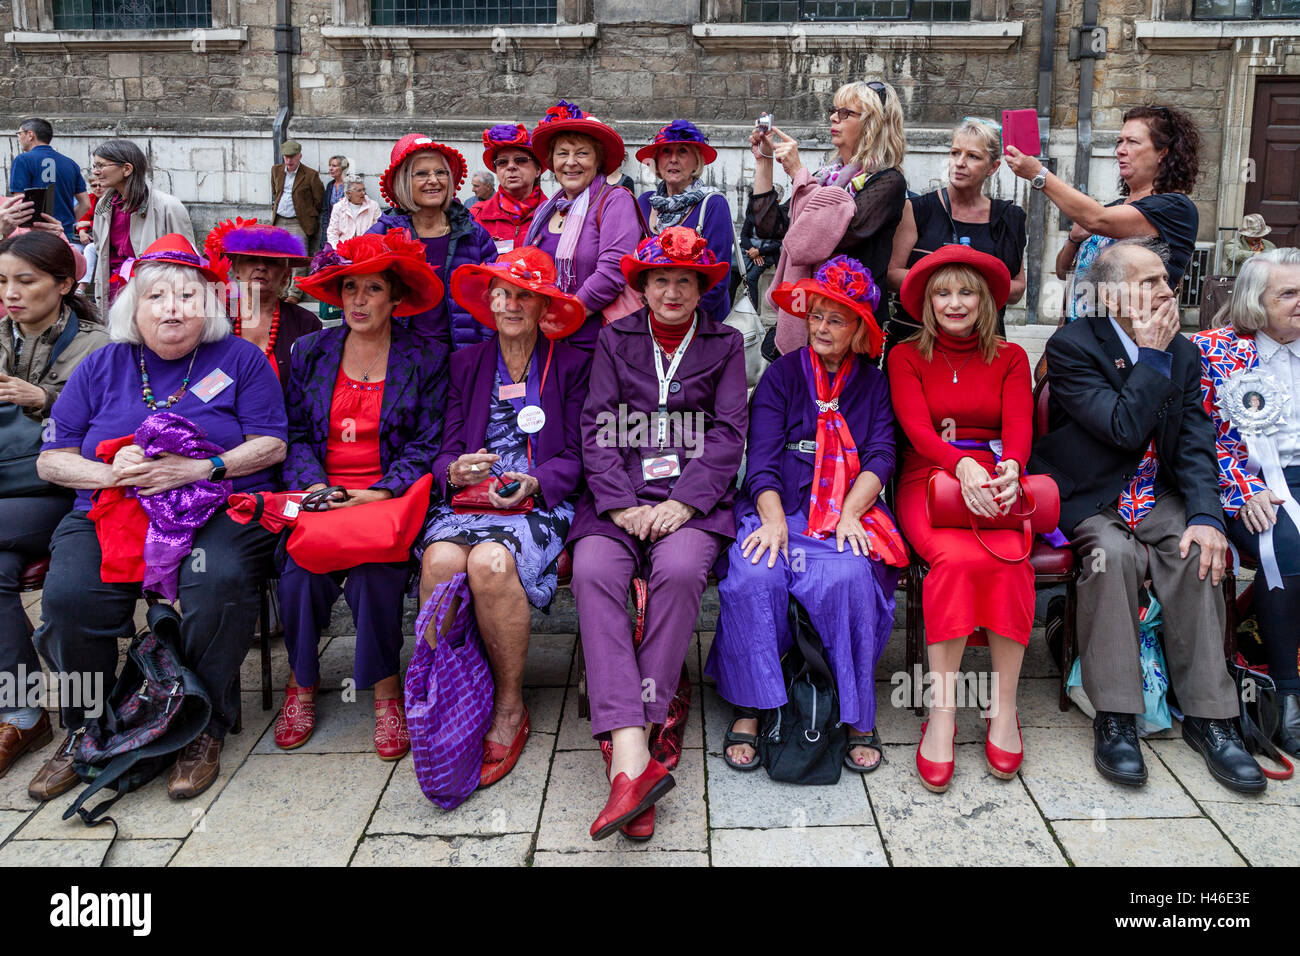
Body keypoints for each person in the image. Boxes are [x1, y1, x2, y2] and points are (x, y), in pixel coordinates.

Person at [29, 233, 288, 801]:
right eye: (157, 296)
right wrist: (113, 475)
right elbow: (52, 458)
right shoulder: (102, 364)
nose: (172, 308)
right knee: (71, 598)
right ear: (132, 308)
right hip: (110, 508)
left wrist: (202, 469)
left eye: (188, 296)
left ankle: (202, 725)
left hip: (216, 505)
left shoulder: (241, 360)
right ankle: (85, 725)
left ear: (209, 305)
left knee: (216, 582)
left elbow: (272, 443)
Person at [1030, 237, 1265, 794]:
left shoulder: (1183, 352)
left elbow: (1194, 443)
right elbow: (1120, 428)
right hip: (1093, 494)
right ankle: (1115, 717)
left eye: (1165, 278)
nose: (1166, 289)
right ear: (1110, 294)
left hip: (1156, 493)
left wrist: (1207, 515)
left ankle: (1212, 717)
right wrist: (1153, 357)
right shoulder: (1072, 346)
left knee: (1197, 551)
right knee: (1112, 557)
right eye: (1148, 282)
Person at [571, 226, 746, 842]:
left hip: (689, 502)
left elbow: (726, 434)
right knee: (592, 572)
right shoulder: (614, 338)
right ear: (642, 286)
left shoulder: (726, 344)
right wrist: (620, 505)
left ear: (702, 288)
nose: (672, 291)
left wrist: (682, 502)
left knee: (677, 572)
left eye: (685, 280)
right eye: (660, 279)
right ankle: (636, 754)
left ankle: (630, 754)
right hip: (616, 497)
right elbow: (595, 425)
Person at [707, 254, 900, 774]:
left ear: (860, 327)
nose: (821, 327)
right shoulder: (782, 376)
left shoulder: (873, 382)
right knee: (754, 573)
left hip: (844, 512)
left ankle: (857, 711)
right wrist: (771, 521)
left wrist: (853, 513)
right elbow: (762, 461)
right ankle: (752, 703)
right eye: (816, 315)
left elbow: (882, 453)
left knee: (852, 576)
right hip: (782, 508)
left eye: (836, 318)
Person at [273, 230, 449, 760]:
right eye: (350, 288)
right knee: (299, 570)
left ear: (396, 299)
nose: (359, 301)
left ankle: (386, 692)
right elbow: (296, 435)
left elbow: (427, 442)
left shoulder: (425, 356)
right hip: (320, 494)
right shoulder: (310, 351)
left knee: (378, 573)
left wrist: (379, 492)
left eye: (373, 289)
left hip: (387, 499)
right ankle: (301, 683)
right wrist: (317, 488)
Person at [419, 246, 589, 786]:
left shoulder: (572, 363)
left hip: (539, 500)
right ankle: (447, 692)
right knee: (442, 559)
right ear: (488, 302)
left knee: (491, 563)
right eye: (502, 293)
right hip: (470, 500)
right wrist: (458, 469)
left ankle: (510, 706)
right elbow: (443, 452)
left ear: (544, 306)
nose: (511, 304)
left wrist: (538, 481)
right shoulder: (466, 363)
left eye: (524, 295)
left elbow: (583, 454)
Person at [887, 245, 1033, 792]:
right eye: (942, 293)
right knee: (951, 560)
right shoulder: (904, 355)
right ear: (927, 302)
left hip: (995, 482)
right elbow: (918, 431)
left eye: (966, 292)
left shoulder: (1011, 356)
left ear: (985, 300)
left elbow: (1018, 425)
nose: (954, 302)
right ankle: (943, 712)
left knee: (1009, 559)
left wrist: (1012, 468)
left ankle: (1003, 707)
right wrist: (961, 462)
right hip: (928, 480)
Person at [0, 231, 108, 779]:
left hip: (58, 490)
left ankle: (29, 712)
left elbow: (112, 423)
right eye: (2, 282)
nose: (11, 294)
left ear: (65, 284)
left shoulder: (96, 346)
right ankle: (20, 710)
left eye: (26, 281)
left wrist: (42, 399)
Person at [1192, 248, 1300, 757]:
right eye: (1290, 293)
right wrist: (1242, 491)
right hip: (1248, 484)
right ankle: (1286, 693)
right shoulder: (1214, 351)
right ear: (1256, 302)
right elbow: (1200, 439)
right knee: (1286, 547)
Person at [750, 80, 908, 356]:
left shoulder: (888, 181)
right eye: (834, 111)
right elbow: (770, 227)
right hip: (813, 315)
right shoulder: (825, 181)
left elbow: (836, 237)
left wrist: (799, 174)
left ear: (872, 123)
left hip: (852, 324)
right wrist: (764, 160)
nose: (834, 118)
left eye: (846, 113)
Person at [1004, 105, 1201, 322]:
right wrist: (1073, 239)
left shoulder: (1175, 208)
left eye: (1132, 142)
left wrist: (1038, 174)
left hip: (1130, 340)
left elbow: (1097, 219)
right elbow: (1062, 272)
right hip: (1077, 338)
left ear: (1163, 153)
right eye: (1119, 142)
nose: (1120, 150)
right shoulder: (1113, 208)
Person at [887, 118, 1027, 339]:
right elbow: (892, 275)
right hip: (915, 341)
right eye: (955, 153)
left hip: (981, 345)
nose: (960, 163)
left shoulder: (1009, 218)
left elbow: (1017, 288)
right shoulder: (916, 210)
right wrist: (961, 286)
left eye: (973, 156)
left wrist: (959, 287)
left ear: (993, 167)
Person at [523, 101, 642, 353]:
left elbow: (612, 272)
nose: (570, 162)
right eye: (562, 153)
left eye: (582, 153)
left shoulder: (614, 200)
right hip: (543, 339)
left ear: (598, 160)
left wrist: (565, 315)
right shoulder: (546, 210)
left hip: (595, 343)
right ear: (551, 162)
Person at [368, 135, 498, 351]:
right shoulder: (380, 236)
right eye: (421, 174)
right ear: (403, 180)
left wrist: (482, 352)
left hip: (462, 360)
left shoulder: (474, 235)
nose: (434, 180)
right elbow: (359, 304)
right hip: (400, 362)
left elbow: (495, 299)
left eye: (440, 172)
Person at [635, 120, 736, 322]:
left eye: (682, 152)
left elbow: (718, 280)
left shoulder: (713, 204)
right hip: (650, 321)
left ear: (696, 161)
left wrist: (677, 320)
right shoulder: (644, 203)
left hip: (701, 322)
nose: (673, 159)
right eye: (666, 152)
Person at [205, 219, 322, 388]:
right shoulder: (215, 316)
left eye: (272, 261)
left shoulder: (306, 324)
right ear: (236, 270)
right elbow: (200, 380)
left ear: (285, 275)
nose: (261, 267)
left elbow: (313, 388)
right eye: (252, 259)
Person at [89, 139, 193, 315]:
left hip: (155, 294)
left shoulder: (168, 206)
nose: (95, 172)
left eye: (101, 165)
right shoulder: (103, 207)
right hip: (114, 293)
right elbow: (101, 251)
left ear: (127, 169)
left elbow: (186, 260)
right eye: (94, 165)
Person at [471, 124, 549, 255]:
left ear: (538, 170)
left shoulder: (556, 214)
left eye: (520, 160)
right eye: (502, 162)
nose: (511, 166)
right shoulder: (476, 216)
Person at [9, 118, 90, 242]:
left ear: (30, 135)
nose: (19, 138)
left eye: (19, 134)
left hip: (35, 233)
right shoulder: (71, 163)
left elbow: (19, 201)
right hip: (63, 231)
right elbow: (85, 204)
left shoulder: (23, 160)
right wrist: (66, 222)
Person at [270, 140, 325, 279]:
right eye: (286, 157)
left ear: (299, 156)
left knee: (298, 255)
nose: (289, 160)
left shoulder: (310, 175)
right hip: (279, 218)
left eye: (292, 157)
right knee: (278, 255)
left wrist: (309, 215)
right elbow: (275, 192)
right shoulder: (276, 170)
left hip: (298, 221)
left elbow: (319, 200)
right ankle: (281, 288)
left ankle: (295, 291)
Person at [739, 187, 783, 316]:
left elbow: (777, 242)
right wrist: (752, 250)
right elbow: (744, 235)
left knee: (751, 278)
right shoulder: (752, 214)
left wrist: (759, 251)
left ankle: (753, 313)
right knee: (733, 274)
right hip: (751, 252)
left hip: (768, 255)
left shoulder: (778, 216)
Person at [326, 174, 381, 247]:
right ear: (349, 193)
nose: (363, 193)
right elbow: (332, 233)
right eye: (359, 190)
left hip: (367, 249)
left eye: (364, 189)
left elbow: (379, 231)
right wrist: (337, 250)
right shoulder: (338, 207)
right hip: (343, 249)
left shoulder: (373, 206)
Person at [318, 154, 351, 243]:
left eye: (334, 166)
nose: (330, 168)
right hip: (332, 228)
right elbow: (326, 210)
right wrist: (325, 229)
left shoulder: (352, 184)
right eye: (330, 165)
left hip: (347, 229)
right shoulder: (330, 186)